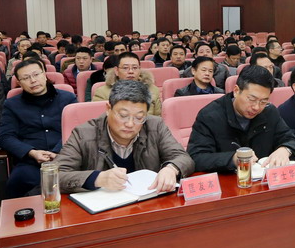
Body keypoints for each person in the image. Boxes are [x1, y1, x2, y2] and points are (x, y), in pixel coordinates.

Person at [57, 80, 195, 194]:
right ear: (108, 109)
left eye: (139, 117)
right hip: (104, 209)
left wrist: (171, 169)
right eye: (123, 116)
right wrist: (97, 178)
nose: (130, 124)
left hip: (146, 202)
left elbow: (183, 158)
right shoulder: (83, 134)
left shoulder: (155, 125)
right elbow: (55, 175)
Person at [187, 66, 295, 173]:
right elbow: (197, 157)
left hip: (264, 180)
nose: (256, 107)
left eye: (263, 101)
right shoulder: (209, 116)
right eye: (251, 99)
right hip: (228, 180)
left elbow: (291, 140)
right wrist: (232, 159)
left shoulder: (269, 111)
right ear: (236, 91)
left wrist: (285, 149)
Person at [0, 59, 77, 198]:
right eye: (26, 78)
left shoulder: (68, 98)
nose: (33, 80)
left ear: (45, 74)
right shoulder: (12, 104)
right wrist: (31, 152)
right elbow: (5, 137)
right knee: (18, 181)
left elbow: (76, 129)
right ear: (19, 82)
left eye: (36, 74)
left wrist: (57, 151)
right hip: (32, 162)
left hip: (67, 156)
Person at [92, 52, 161, 115]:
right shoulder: (102, 93)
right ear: (116, 71)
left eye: (135, 68)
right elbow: (100, 120)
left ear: (139, 70)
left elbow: (158, 118)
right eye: (125, 68)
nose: (131, 71)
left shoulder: (153, 90)